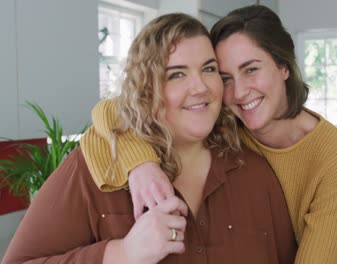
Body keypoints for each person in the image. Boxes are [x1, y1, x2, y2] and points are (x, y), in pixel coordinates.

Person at [2, 13, 297, 264]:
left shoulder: (256, 173)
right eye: (176, 75)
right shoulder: (94, 169)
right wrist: (120, 254)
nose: (201, 87)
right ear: (146, 89)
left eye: (208, 69)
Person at [80, 5, 337, 264]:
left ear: (284, 66)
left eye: (251, 69)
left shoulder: (334, 154)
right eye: (225, 77)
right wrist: (140, 164)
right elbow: (114, 108)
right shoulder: (225, 122)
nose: (238, 92)